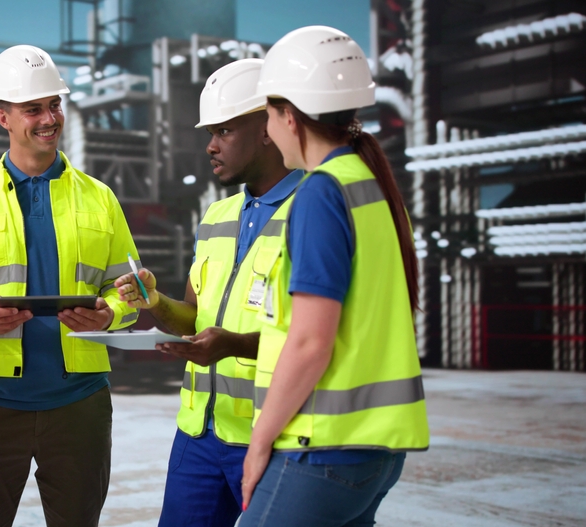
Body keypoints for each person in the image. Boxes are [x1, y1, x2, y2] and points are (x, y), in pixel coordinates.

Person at [0, 45, 141, 527]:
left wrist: (109, 313)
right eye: (33, 109)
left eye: (54, 105)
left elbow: (133, 290)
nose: (49, 118)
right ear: (3, 117)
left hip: (80, 401)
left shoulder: (100, 198)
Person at [236, 26, 430, 527]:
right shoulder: (371, 185)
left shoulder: (321, 193)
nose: (269, 132)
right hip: (376, 449)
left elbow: (310, 343)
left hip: (320, 447)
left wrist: (259, 445)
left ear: (290, 117)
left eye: (269, 118)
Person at [114, 59, 303, 527]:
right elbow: (194, 317)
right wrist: (154, 304)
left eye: (223, 130)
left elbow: (314, 338)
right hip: (198, 435)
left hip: (271, 435)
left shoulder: (311, 210)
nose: (210, 145)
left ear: (266, 127)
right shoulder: (216, 216)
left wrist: (233, 346)